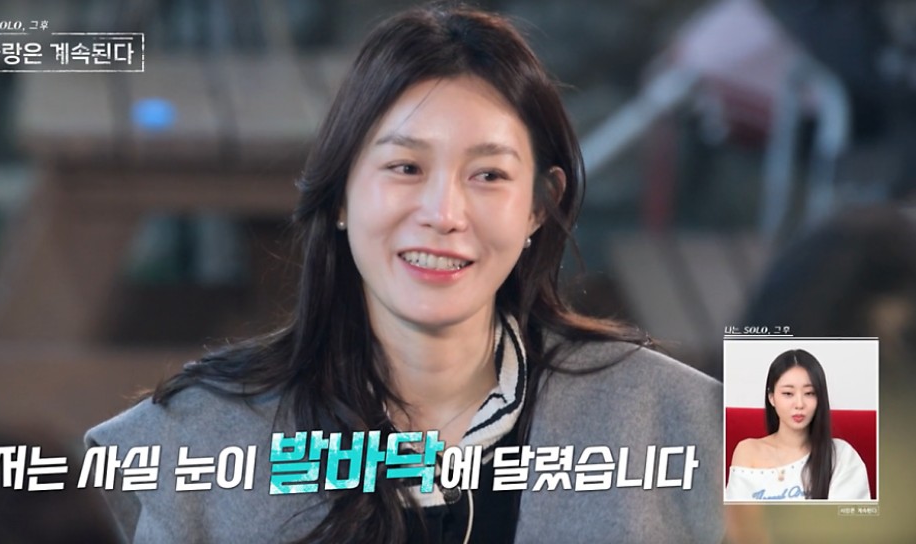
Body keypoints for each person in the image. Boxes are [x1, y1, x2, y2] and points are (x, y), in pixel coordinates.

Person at [86, 5, 723, 543]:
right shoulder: (190, 444)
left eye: (489, 175)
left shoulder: (692, 418)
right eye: (406, 168)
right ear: (340, 194)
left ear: (539, 206)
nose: (444, 214)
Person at [725, 349, 870, 501]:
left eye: (809, 393)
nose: (799, 404)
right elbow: (734, 513)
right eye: (788, 393)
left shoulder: (841, 455)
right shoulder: (747, 451)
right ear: (771, 397)